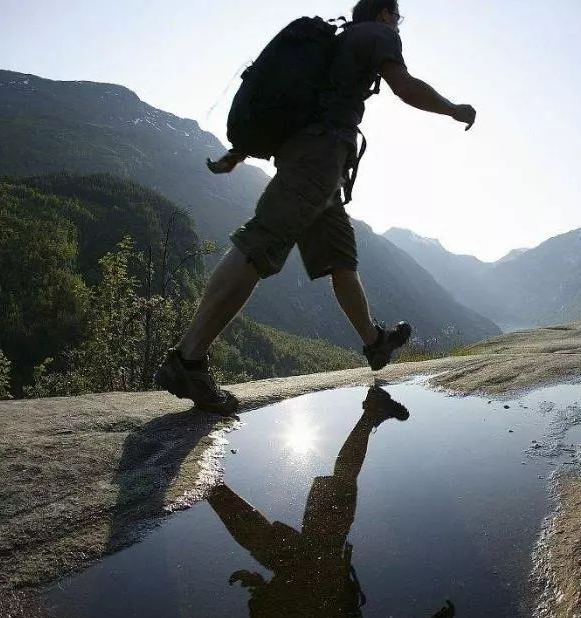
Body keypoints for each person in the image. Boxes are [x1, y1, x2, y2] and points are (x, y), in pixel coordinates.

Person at [157, 0, 477, 414]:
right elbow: (405, 85)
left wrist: (240, 153)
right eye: (396, 15)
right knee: (261, 242)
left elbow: (294, 105)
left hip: (317, 160)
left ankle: (374, 343)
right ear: (384, 13)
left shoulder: (336, 44)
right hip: (319, 158)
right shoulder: (377, 34)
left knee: (340, 258)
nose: (398, 23)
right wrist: (453, 109)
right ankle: (188, 358)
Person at [207, 386, 456, 618]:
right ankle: (211, 487)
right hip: (318, 587)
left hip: (320, 585)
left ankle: (210, 486)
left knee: (273, 536)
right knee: (274, 537)